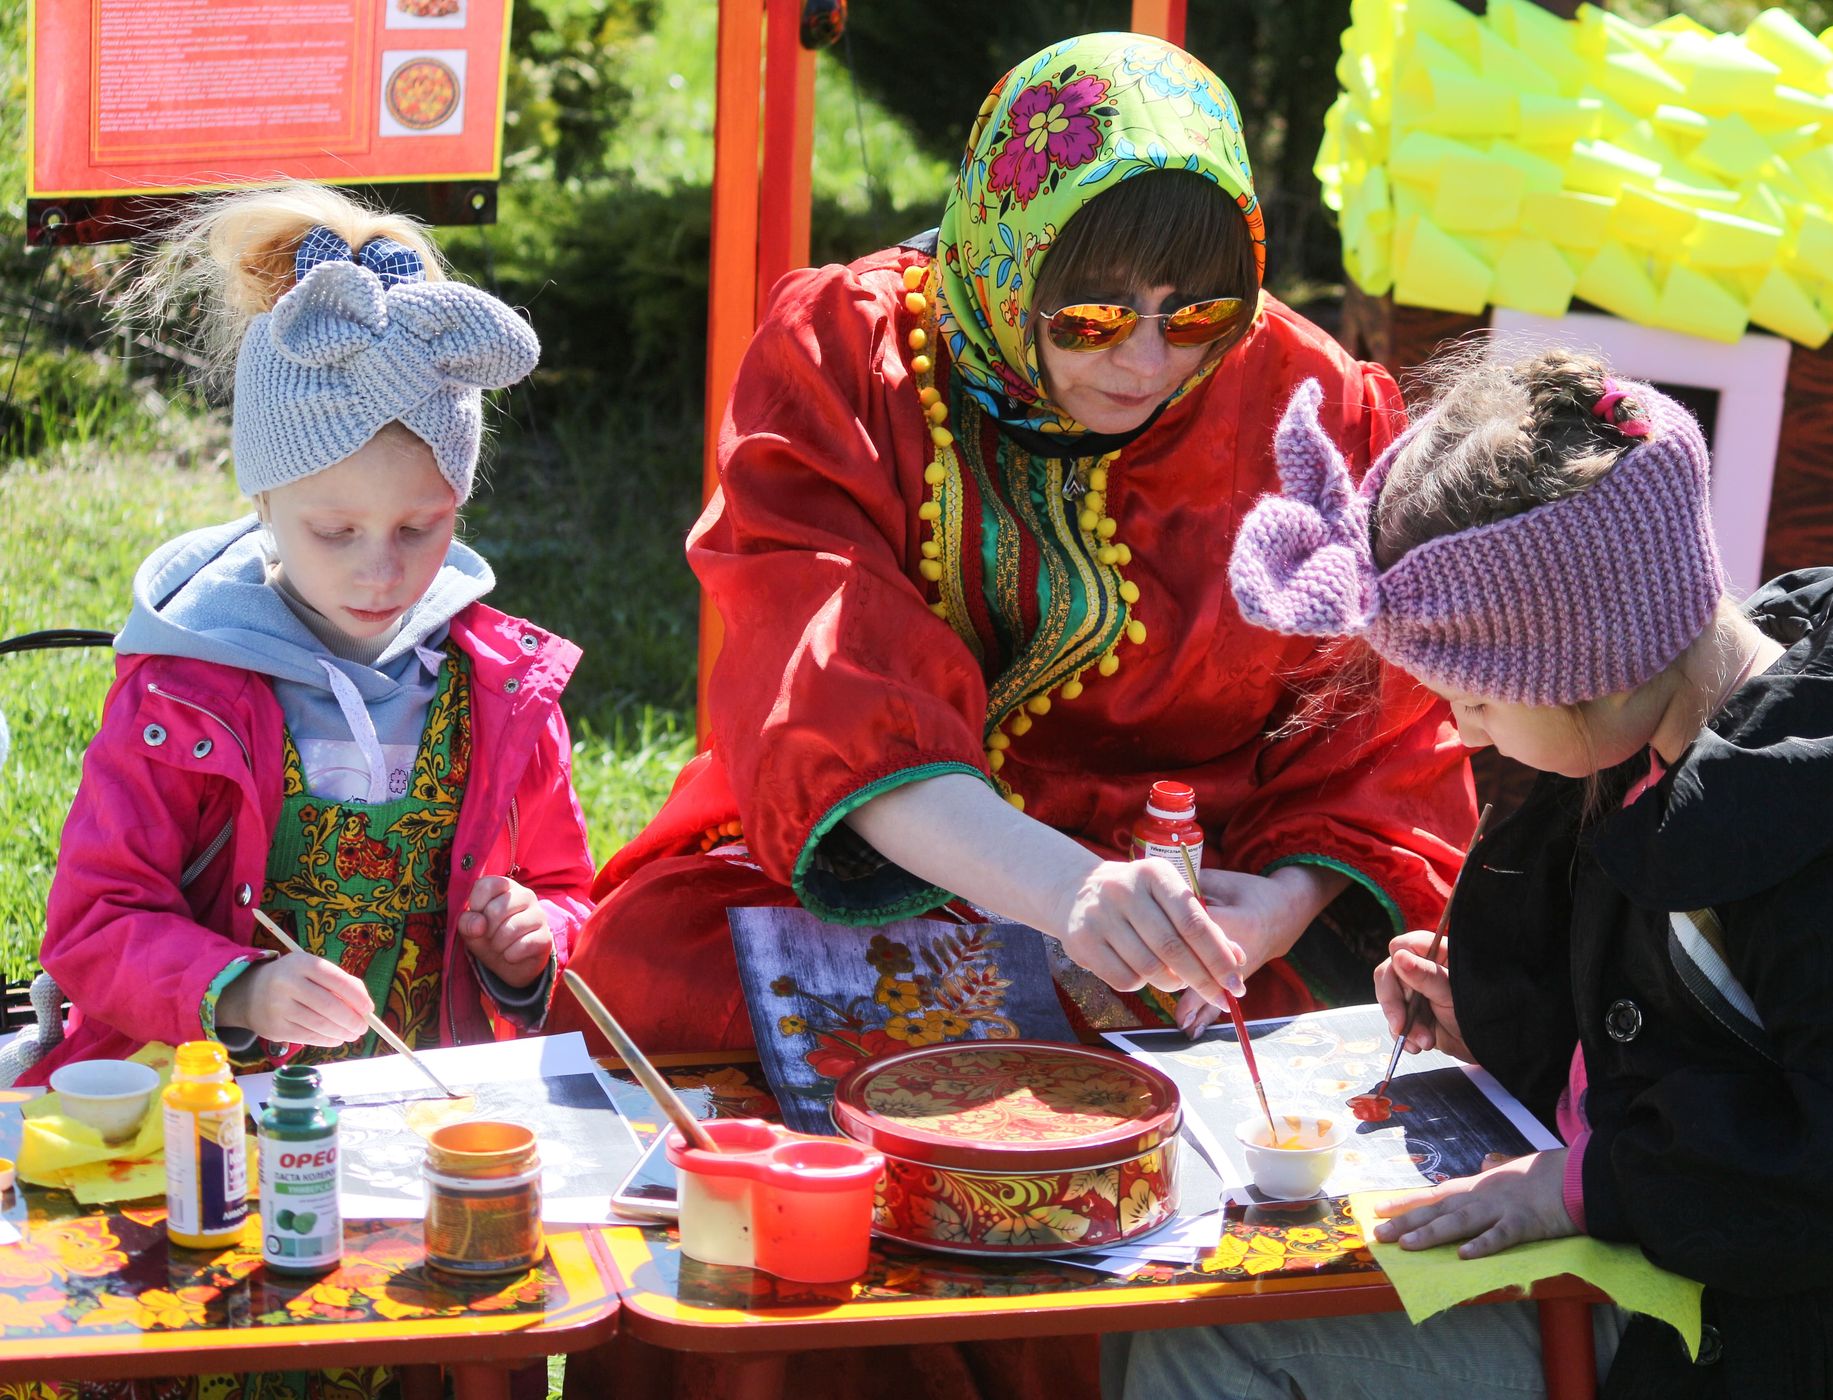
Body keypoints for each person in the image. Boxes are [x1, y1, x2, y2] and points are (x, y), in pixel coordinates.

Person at [553, 31, 1474, 1400]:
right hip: (863, 866)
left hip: (1171, 925)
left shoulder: (1304, 402)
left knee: (1138, 1120)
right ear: (1005, 251)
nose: (1148, 359)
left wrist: (1270, 911)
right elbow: (826, 691)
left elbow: (1378, 730)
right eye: (1093, 318)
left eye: (1198, 316)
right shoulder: (845, 355)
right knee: (653, 988)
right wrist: (1064, 892)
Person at [1114, 351, 1833, 1398]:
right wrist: (1497, 1016)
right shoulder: (1650, 745)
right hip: (1678, 1273)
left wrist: (1583, 1186)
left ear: (1587, 657)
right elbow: (1682, 1036)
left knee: (1206, 1344)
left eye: (1476, 698)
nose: (1463, 730)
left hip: (1783, 1341)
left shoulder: (1823, 840)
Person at [30, 183, 595, 1087]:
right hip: (214, 1108)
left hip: (425, 1103)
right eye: (335, 532)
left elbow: (567, 891)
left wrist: (536, 943)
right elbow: (95, 923)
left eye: (420, 528)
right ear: (264, 501)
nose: (381, 571)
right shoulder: (182, 693)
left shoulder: (500, 689)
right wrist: (238, 989)